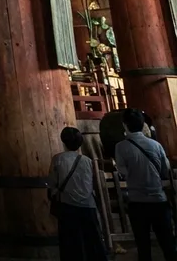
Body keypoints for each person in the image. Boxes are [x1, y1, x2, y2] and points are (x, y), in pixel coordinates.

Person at [115, 107, 176, 261]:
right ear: (143, 125)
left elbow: (123, 172)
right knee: (168, 244)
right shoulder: (156, 145)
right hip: (158, 200)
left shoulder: (121, 147)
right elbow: (165, 168)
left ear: (124, 124)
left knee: (143, 246)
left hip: (137, 201)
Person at [47, 126, 107, 260]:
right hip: (88, 206)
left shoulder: (58, 159)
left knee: (70, 243)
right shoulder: (87, 161)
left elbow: (52, 183)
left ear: (63, 141)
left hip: (67, 206)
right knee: (93, 241)